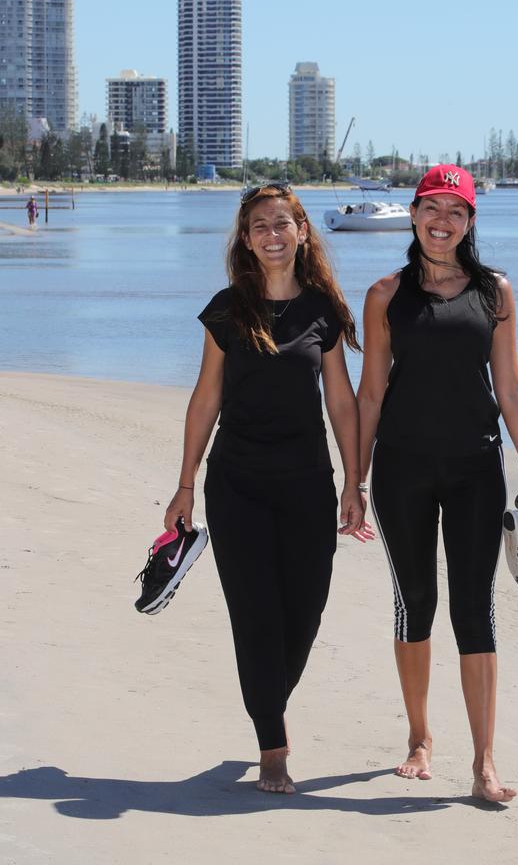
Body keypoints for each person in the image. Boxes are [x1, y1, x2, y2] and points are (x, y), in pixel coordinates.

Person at [164, 184, 373, 795]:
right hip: (238, 486)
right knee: (255, 617)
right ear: (246, 238)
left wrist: (354, 480)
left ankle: (264, 701)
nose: (272, 233)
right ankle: (273, 747)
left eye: (283, 223)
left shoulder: (323, 311)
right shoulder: (229, 309)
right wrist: (184, 484)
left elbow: (341, 399)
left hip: (309, 484)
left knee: (303, 615)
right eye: (259, 225)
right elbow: (207, 396)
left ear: (303, 232)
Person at [357, 164, 518, 803]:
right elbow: (372, 392)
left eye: (456, 211)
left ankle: (484, 762)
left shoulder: (495, 291)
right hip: (402, 470)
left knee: (476, 610)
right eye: (432, 208)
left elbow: (511, 385)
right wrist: (352, 480)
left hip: (474, 468)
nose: (443, 221)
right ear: (413, 215)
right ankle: (419, 737)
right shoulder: (386, 294)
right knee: (415, 601)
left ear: (470, 222)